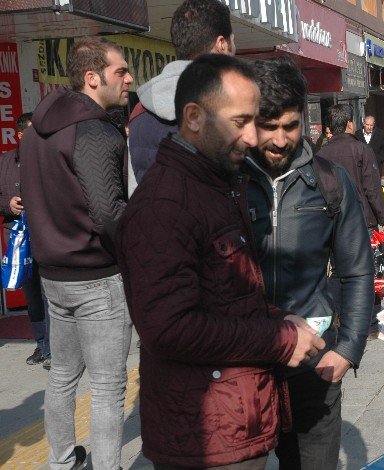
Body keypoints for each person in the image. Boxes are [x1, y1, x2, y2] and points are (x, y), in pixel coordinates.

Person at [116, 54, 325, 469]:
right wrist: (279, 339)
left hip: (232, 421)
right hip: (204, 438)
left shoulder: (214, 183)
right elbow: (169, 328)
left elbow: (229, 296)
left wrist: (280, 319)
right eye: (240, 122)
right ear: (193, 117)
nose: (252, 138)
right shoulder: (164, 204)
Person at [243, 57, 373, 470]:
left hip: (314, 363)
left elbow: (356, 270)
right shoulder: (226, 182)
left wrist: (349, 348)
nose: (281, 140)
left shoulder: (331, 181)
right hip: (244, 364)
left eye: (291, 126)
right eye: (269, 127)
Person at [20, 37, 133, 469]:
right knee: (107, 387)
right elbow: (108, 210)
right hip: (97, 277)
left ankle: (62, 462)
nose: (128, 79)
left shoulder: (34, 134)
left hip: (53, 274)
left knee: (63, 376)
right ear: (92, 78)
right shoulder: (96, 131)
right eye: (120, 71)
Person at [128, 0, 235, 185]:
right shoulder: (229, 110)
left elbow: (133, 192)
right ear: (221, 44)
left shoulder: (139, 112)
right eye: (233, 42)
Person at [317, 103, 384, 338]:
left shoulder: (320, 155)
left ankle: (338, 316)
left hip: (332, 222)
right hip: (363, 221)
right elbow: (372, 189)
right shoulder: (361, 150)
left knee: (339, 271)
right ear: (350, 124)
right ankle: (368, 324)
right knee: (366, 271)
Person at [0, 113, 52, 369]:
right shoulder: (5, 162)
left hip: (48, 237)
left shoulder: (51, 159)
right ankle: (42, 345)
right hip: (19, 241)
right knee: (32, 297)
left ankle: (56, 350)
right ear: (20, 135)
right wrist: (7, 204)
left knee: (50, 295)